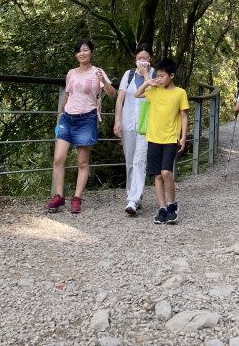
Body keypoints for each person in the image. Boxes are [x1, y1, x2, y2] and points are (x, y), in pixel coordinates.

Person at [46, 38, 117, 214]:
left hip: (86, 119)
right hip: (67, 118)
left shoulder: (97, 72)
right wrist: (60, 115)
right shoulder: (71, 73)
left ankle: (76, 198)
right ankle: (59, 196)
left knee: (83, 162)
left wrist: (104, 82)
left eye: (85, 50)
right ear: (76, 54)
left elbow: (113, 94)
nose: (82, 53)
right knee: (58, 159)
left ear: (91, 52)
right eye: (79, 51)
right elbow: (68, 95)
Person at [134, 57, 189, 225]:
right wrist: (148, 82)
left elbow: (184, 114)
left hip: (171, 137)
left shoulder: (180, 93)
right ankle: (162, 208)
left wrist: (183, 136)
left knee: (166, 172)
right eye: (157, 75)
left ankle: (172, 204)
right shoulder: (154, 90)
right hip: (153, 137)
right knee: (157, 176)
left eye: (162, 76)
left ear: (171, 76)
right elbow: (137, 94)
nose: (159, 78)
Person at [114, 43, 155, 217]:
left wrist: (145, 74)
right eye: (140, 58)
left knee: (140, 160)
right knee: (130, 160)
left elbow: (154, 93)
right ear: (135, 59)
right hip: (128, 122)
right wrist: (117, 120)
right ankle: (132, 196)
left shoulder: (155, 74)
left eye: (146, 58)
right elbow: (120, 98)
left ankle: (134, 199)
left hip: (147, 124)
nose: (142, 61)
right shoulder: (128, 74)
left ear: (150, 59)